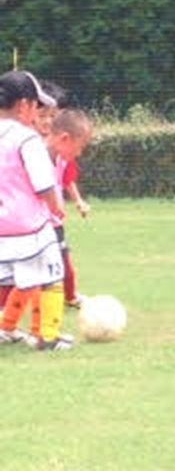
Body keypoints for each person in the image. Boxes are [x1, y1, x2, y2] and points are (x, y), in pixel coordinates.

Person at [0, 70, 65, 348]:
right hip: (29, 227)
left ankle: (7, 328)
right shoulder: (27, 139)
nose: (37, 113)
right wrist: (57, 206)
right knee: (51, 276)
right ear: (24, 105)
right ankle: (47, 337)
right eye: (37, 106)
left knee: (14, 280)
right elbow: (43, 184)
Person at [37, 81, 90, 309]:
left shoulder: (58, 155)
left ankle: (69, 298)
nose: (48, 121)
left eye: (52, 115)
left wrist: (77, 201)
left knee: (60, 264)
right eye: (42, 115)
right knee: (29, 274)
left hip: (52, 221)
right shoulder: (31, 151)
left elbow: (66, 180)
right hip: (35, 222)